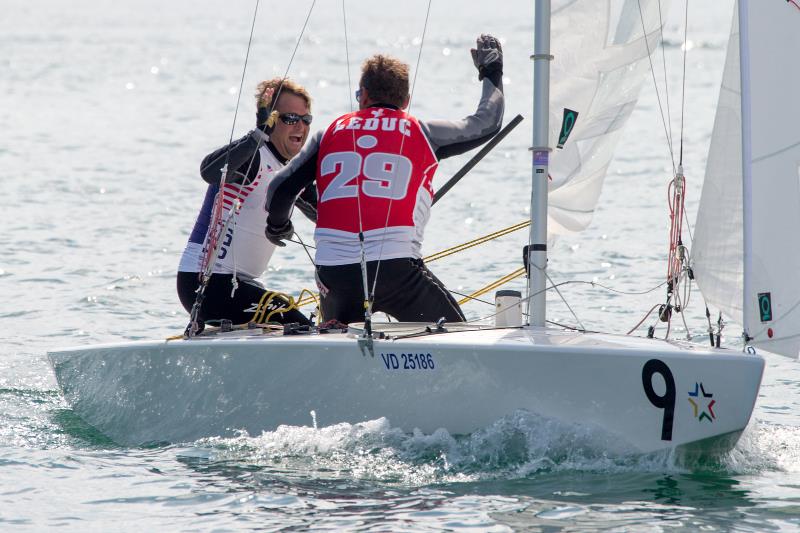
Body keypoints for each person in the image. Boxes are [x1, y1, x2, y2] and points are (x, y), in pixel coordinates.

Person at [265, 35, 504, 324]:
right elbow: (487, 122)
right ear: (405, 101)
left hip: (335, 274)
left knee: (337, 339)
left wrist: (277, 226)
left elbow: (280, 189)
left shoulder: (327, 134)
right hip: (396, 273)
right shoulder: (423, 132)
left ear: (363, 96)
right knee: (459, 337)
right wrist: (492, 71)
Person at [177, 78, 317, 330]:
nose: (300, 127)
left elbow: (329, 216)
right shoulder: (254, 158)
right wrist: (257, 134)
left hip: (239, 285)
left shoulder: (289, 173)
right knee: (299, 325)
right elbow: (209, 171)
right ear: (271, 119)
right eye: (290, 119)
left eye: (305, 120)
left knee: (300, 318)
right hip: (205, 284)